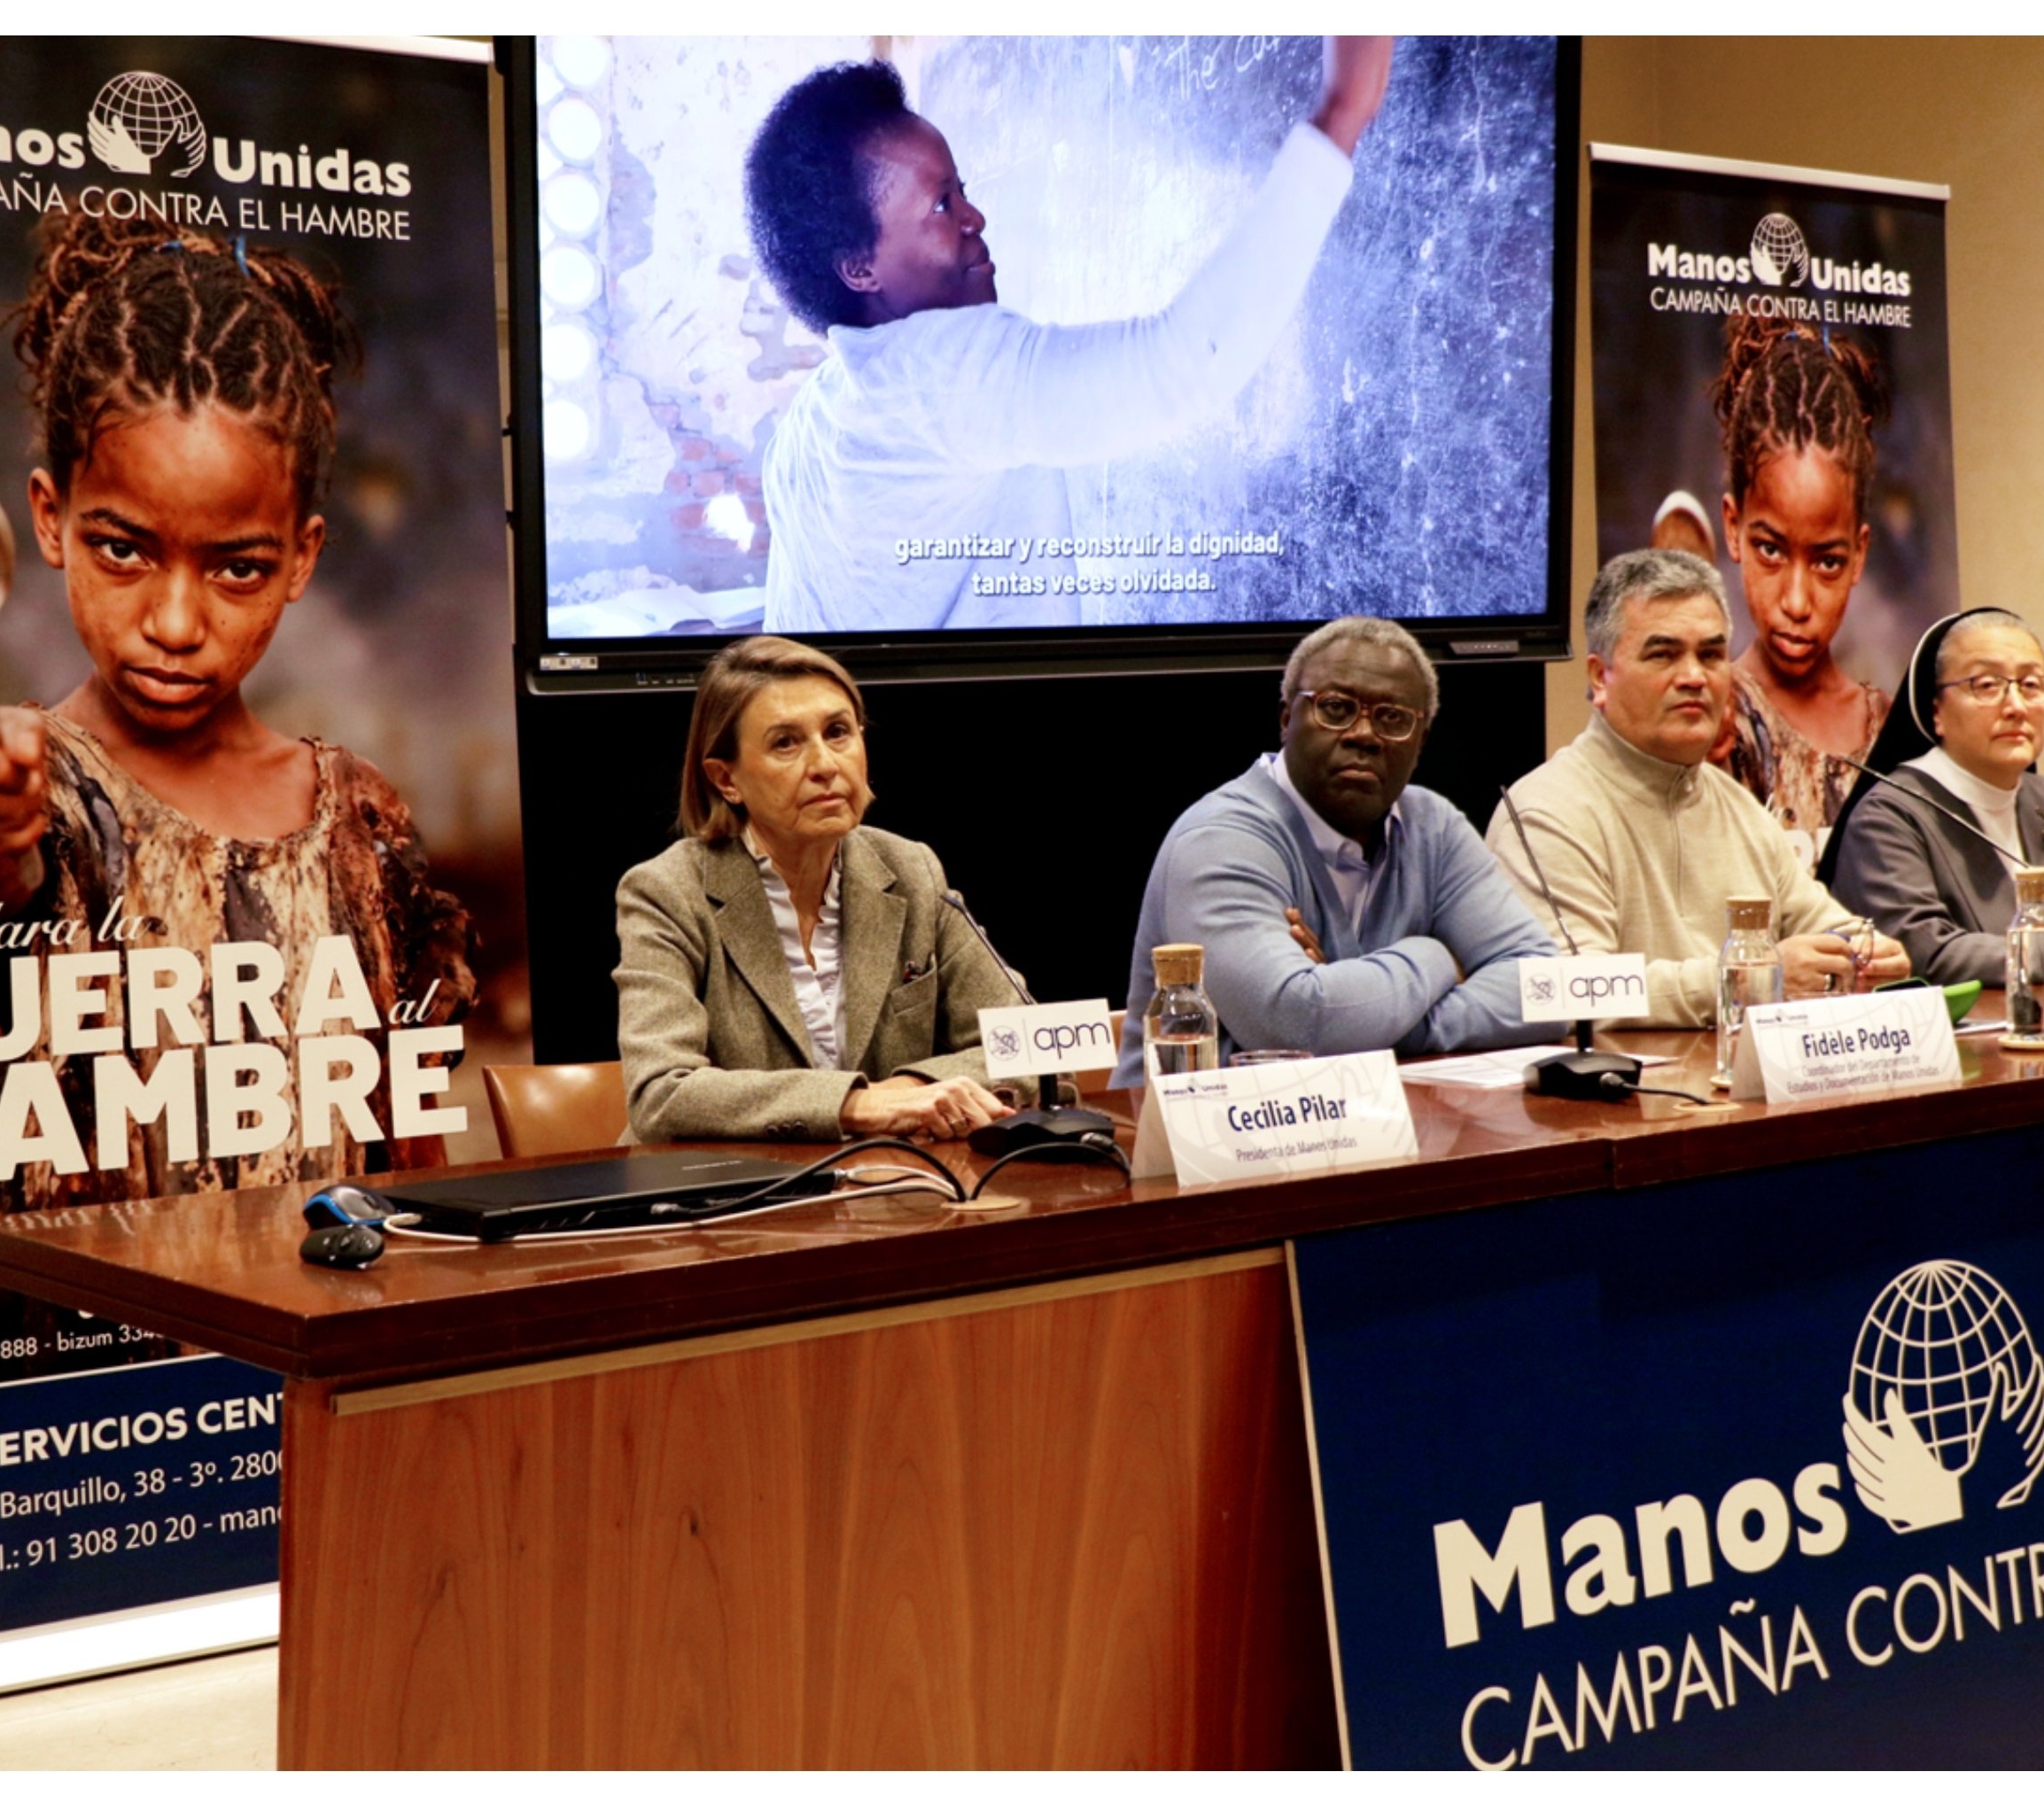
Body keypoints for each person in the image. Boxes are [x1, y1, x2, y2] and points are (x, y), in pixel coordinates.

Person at [0, 214, 477, 1380]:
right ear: (50, 519)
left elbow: (414, 1141)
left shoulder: (360, 816)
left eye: (236, 566)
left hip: (336, 1388)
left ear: (300, 558)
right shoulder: (24, 783)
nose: (176, 620)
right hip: (93, 1433)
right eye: (124, 548)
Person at [743, 38, 1392, 633]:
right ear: (860, 268)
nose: (975, 216)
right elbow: (1188, 363)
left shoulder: (806, 432)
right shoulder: (934, 376)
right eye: (942, 204)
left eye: (962, 190)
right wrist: (1341, 114)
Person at [615, 635, 1048, 1143]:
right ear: (725, 779)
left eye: (838, 732)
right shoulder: (667, 893)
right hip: (735, 1203)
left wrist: (913, 1089)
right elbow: (662, 1094)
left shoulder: (911, 870)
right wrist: (857, 1105)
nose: (824, 765)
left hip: (898, 1188)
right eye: (785, 743)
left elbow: (1032, 1047)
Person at [1110, 617, 1558, 1082]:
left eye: (1392, 718)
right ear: (1286, 720)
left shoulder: (1433, 827)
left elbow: (1546, 992)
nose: (1364, 734)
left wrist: (1366, 1023)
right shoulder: (1220, 838)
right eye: (1337, 708)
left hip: (1378, 1133)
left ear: (1421, 742)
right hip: (1205, 1142)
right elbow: (1290, 1023)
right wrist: (1439, 957)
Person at [1484, 549, 1908, 1029]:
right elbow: (1568, 990)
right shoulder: (1546, 812)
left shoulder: (1736, 805)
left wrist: (1867, 953)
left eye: (1710, 655)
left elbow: (1823, 924)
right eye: (1663, 654)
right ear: (1599, 678)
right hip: (1622, 1099)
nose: (1693, 677)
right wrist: (1748, 979)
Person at [1823, 610, 2044, 984]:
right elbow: (1926, 953)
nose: (2016, 706)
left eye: (2031, 685)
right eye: (1986, 685)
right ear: (1936, 712)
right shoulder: (1888, 817)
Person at [1709, 316, 1896, 850]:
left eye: (1827, 562)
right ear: (1733, 527)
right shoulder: (1716, 718)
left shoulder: (1890, 728)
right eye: (1771, 550)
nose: (1796, 601)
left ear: (1859, 553)